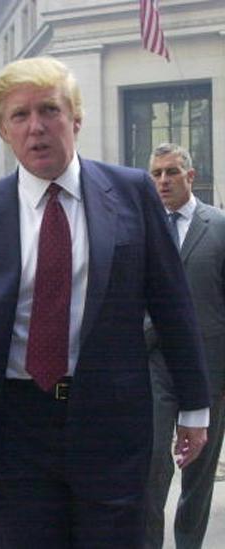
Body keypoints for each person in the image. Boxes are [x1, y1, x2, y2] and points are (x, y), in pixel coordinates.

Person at [0, 57, 209, 547]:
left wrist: (194, 409)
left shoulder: (131, 192)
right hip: (15, 428)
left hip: (110, 419)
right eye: (20, 115)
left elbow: (172, 305)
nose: (36, 128)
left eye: (49, 110)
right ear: (2, 129)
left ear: (76, 120)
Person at [144, 143, 225, 549]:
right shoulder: (142, 227)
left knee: (199, 473)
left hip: (210, 370)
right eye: (156, 173)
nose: (162, 181)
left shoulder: (220, 227)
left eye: (171, 172)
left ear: (190, 176)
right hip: (153, 367)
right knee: (152, 469)